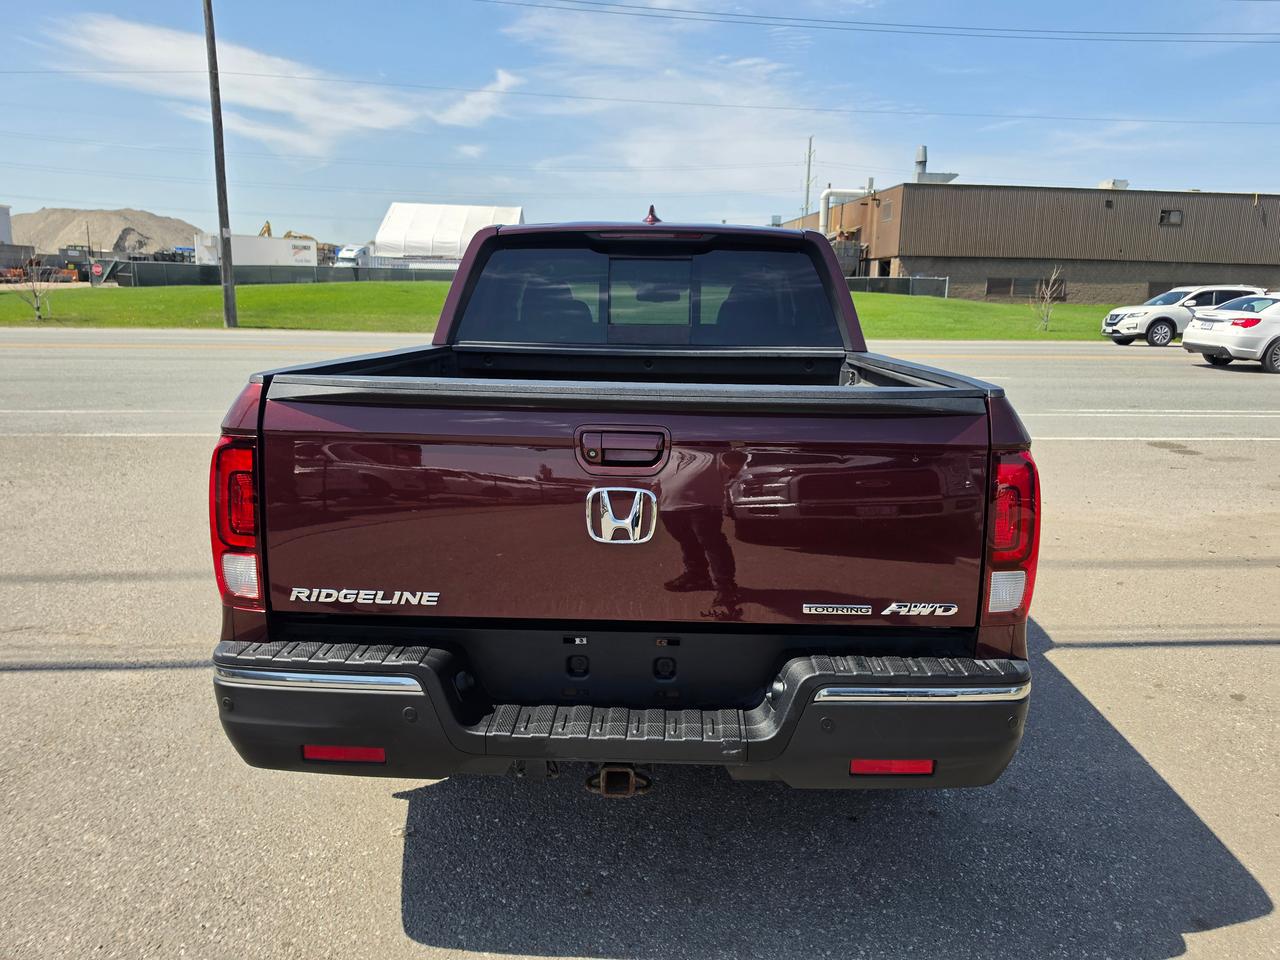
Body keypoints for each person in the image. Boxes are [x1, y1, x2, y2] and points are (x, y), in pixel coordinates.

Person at [660, 449, 746, 608]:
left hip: (704, 506)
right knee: (687, 542)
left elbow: (738, 461)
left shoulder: (714, 451)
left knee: (713, 545)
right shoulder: (671, 453)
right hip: (669, 506)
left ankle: (726, 586)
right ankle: (697, 576)